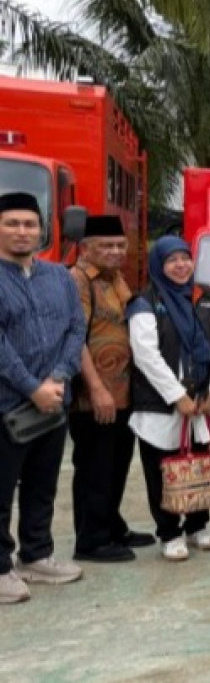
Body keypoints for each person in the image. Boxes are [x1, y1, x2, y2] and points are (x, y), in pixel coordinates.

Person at [0, 191, 86, 604]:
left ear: (42, 230)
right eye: (12, 224)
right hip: (8, 404)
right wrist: (32, 388)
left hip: (53, 402)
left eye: (30, 224)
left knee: (42, 484)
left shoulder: (59, 277)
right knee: (1, 491)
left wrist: (58, 377)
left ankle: (35, 555)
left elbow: (76, 327)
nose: (22, 231)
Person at [127, 237, 210, 562]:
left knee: (198, 464)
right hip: (161, 403)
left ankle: (198, 525)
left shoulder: (203, 297)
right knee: (163, 470)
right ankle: (169, 532)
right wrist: (177, 396)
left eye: (185, 258)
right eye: (172, 260)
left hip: (201, 400)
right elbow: (146, 356)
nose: (181, 265)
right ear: (159, 265)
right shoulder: (145, 302)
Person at [68, 215, 155, 563]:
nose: (115, 251)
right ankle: (91, 540)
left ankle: (112, 526)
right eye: (106, 245)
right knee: (95, 468)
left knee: (117, 464)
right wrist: (96, 388)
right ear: (86, 249)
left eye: (120, 245)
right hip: (94, 397)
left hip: (123, 393)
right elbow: (75, 338)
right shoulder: (78, 281)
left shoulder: (116, 278)